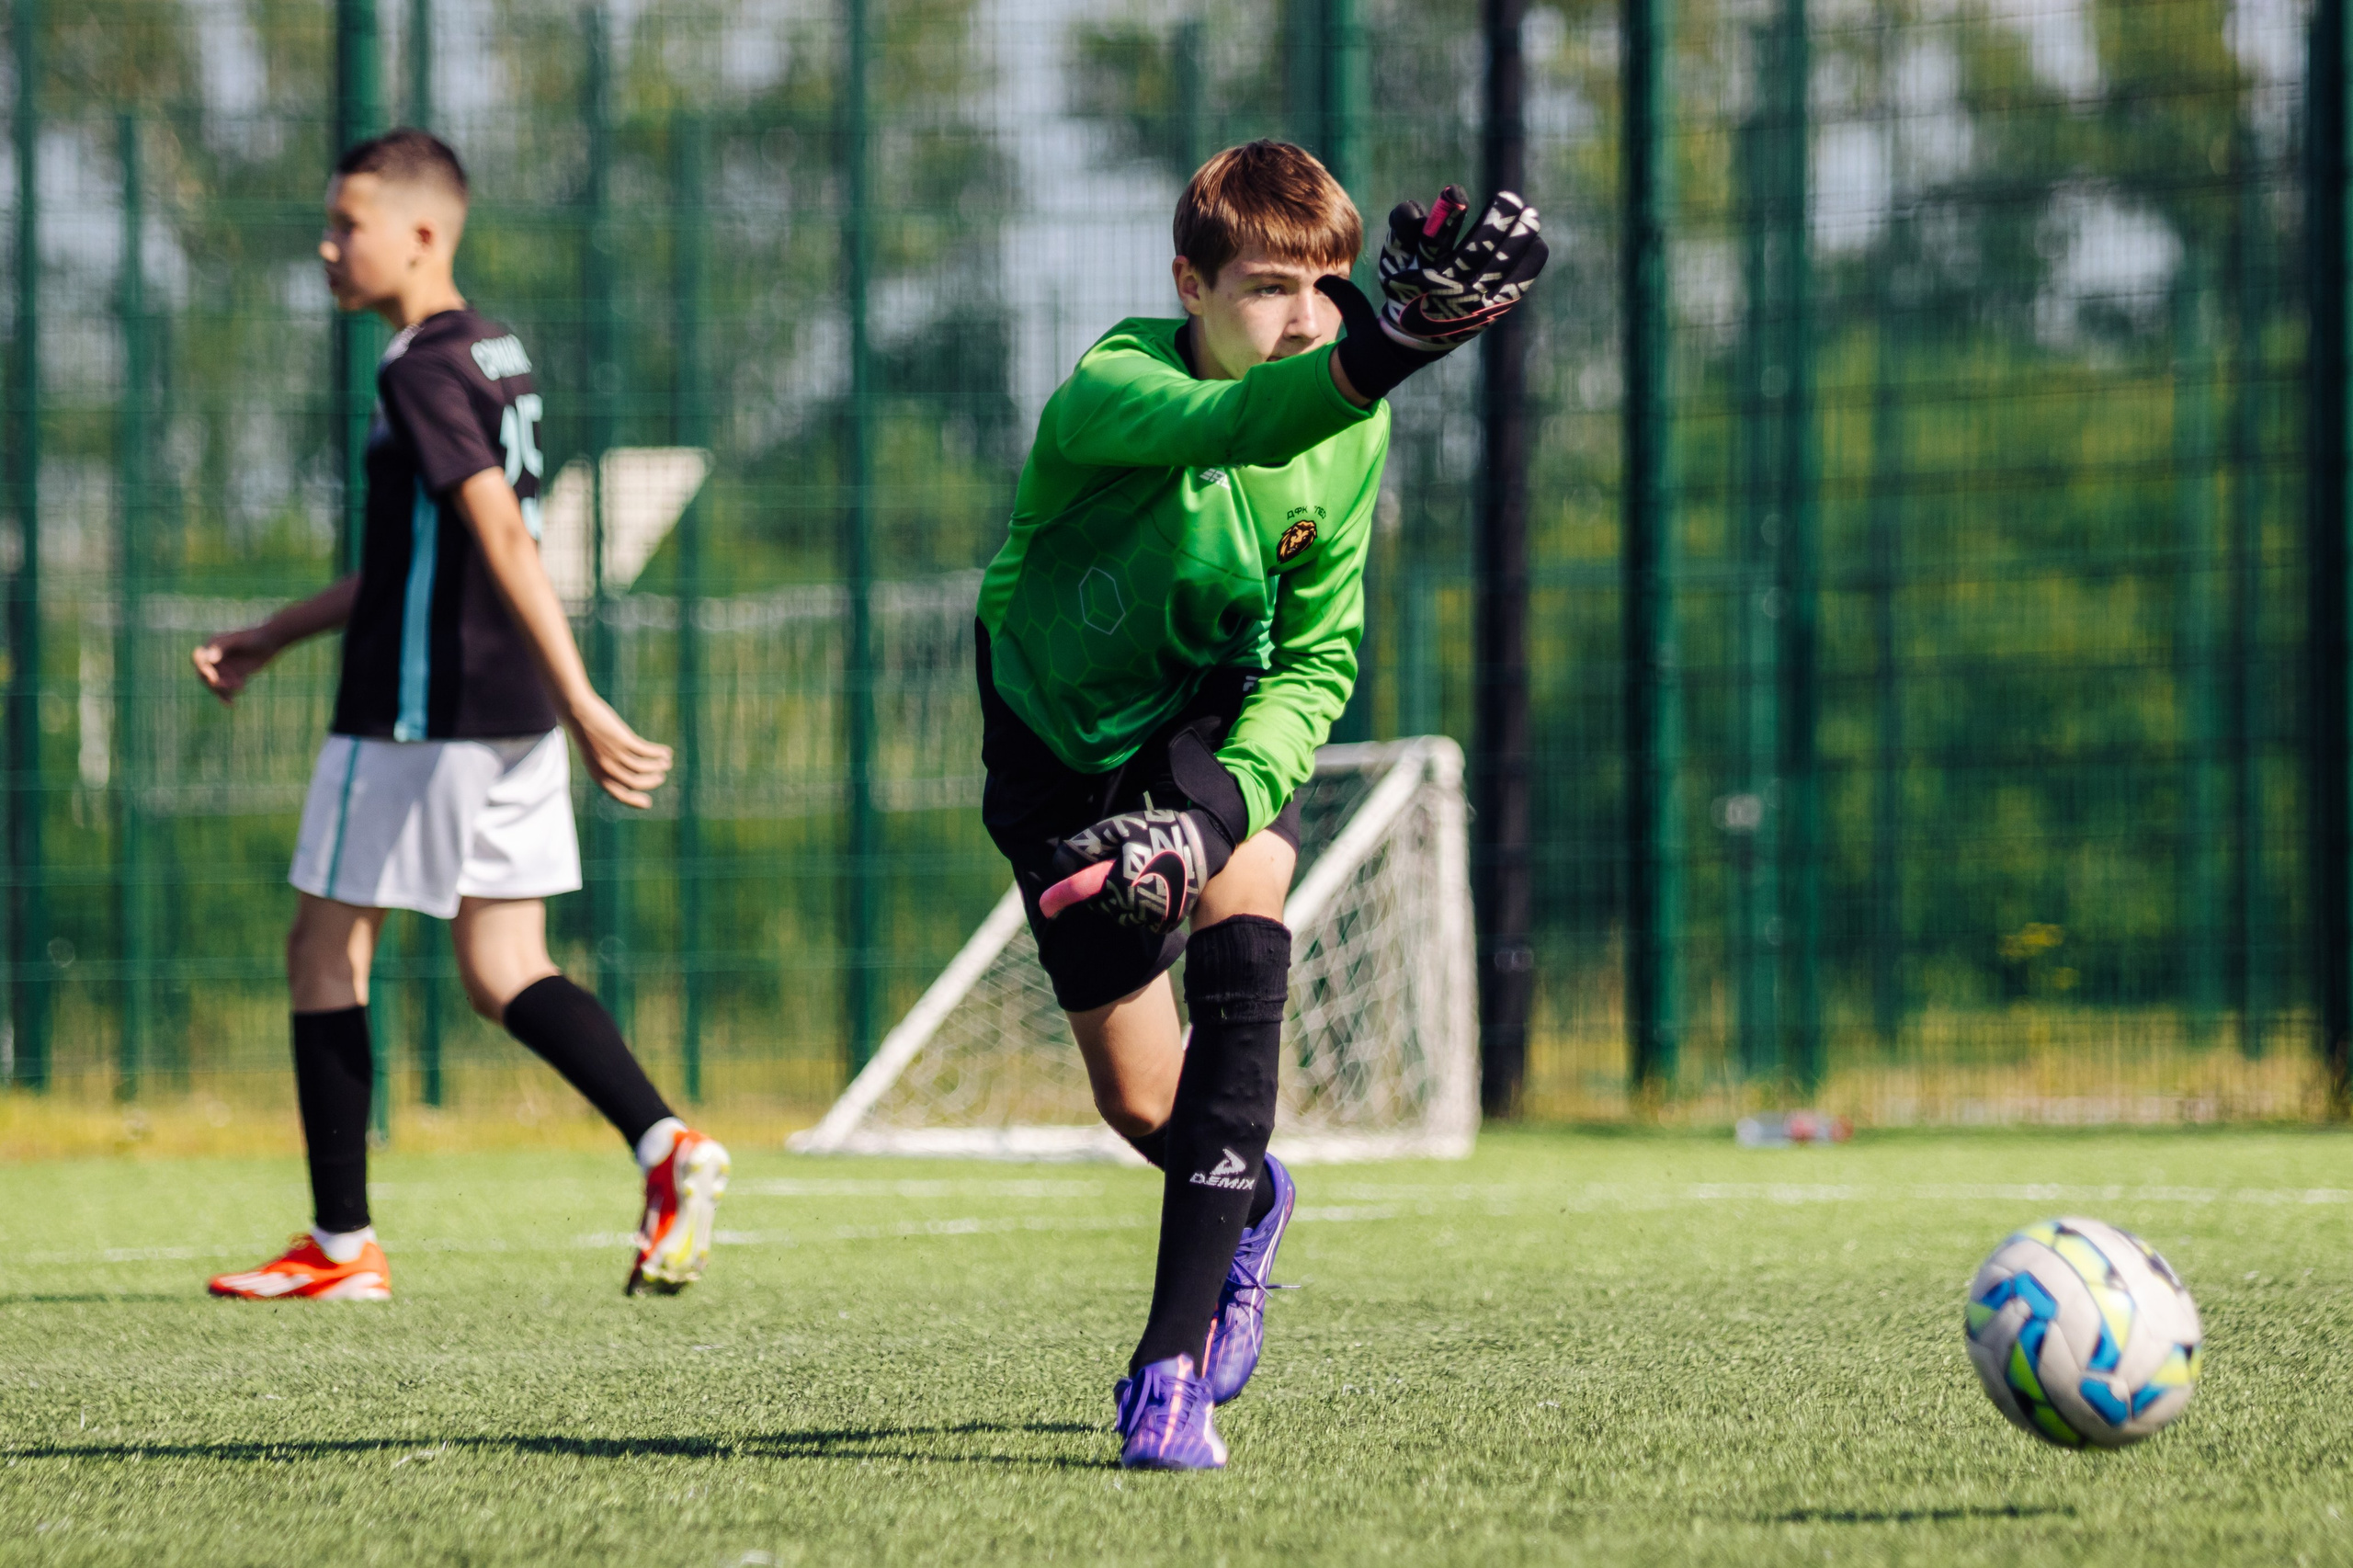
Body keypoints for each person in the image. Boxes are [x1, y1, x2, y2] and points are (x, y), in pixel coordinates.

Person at [977, 140, 1546, 1467]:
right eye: (1267, 285)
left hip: (1210, 716)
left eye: (1329, 287)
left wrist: (1218, 813)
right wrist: (1394, 344)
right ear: (1189, 283)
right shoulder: (1112, 389)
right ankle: (1253, 1193)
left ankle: (1169, 1369)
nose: (1303, 318)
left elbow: (1315, 658)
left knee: (1248, 899)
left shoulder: (1353, 420)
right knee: (1139, 1107)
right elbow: (1245, 423)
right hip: (1054, 744)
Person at [195, 129, 728, 1302]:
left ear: (423, 232)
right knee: (503, 964)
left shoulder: (419, 367)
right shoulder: (497, 349)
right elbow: (422, 554)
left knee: (324, 947)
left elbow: (495, 532)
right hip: (506, 711)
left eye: (348, 224)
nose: (328, 245)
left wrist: (587, 695)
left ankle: (341, 1246)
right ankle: (666, 1143)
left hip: (417, 711)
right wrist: (278, 630)